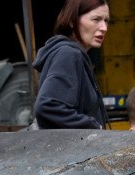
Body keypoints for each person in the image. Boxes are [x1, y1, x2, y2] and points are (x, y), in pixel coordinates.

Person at [32, 0, 110, 130]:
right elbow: (47, 107)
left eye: (106, 21)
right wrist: (95, 128)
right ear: (72, 21)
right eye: (96, 19)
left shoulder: (71, 54)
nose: (104, 28)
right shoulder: (68, 54)